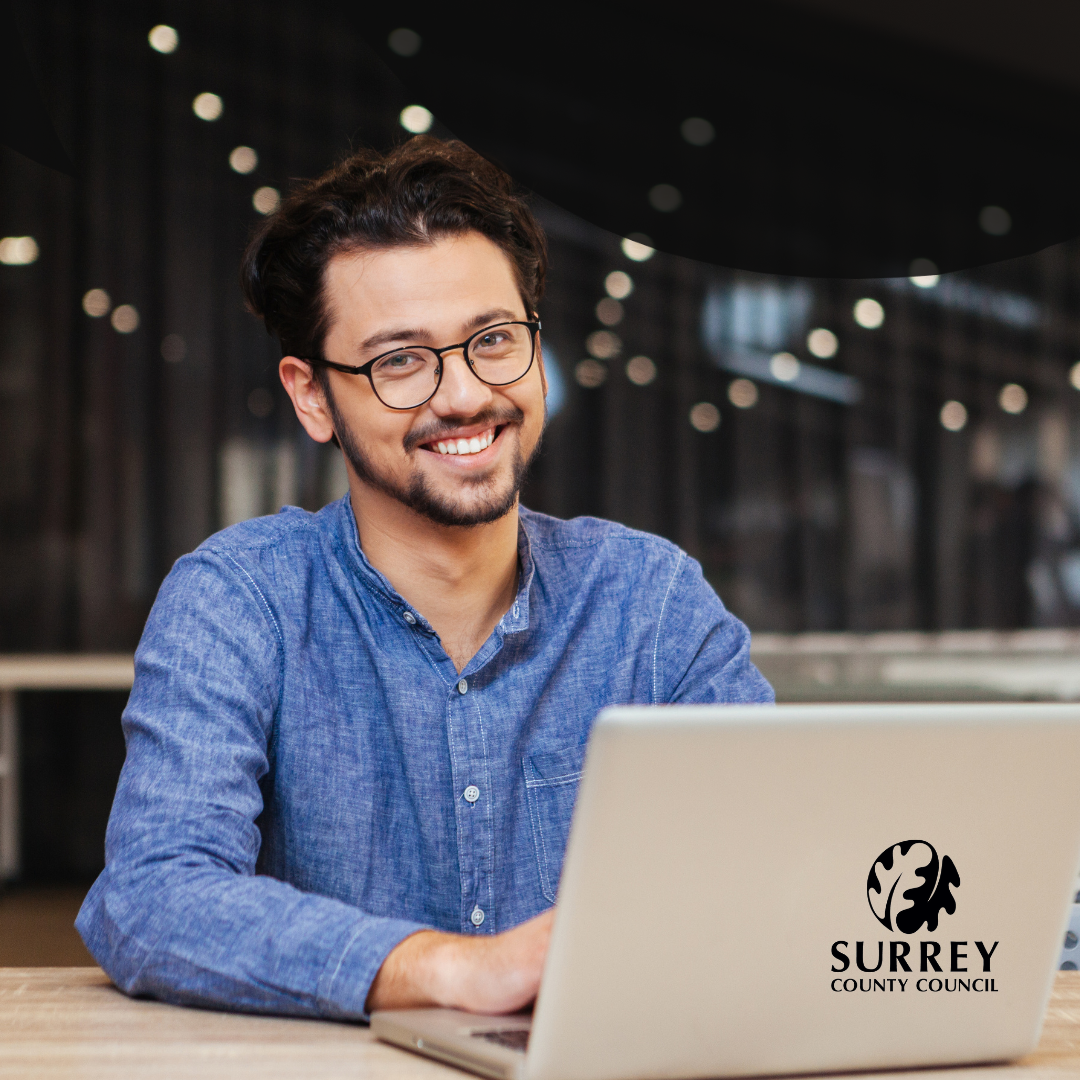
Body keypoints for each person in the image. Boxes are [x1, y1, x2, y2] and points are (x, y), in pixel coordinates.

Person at [76, 136, 773, 1019]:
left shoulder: (648, 599)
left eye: (492, 339)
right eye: (400, 360)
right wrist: (442, 970)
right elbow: (151, 899)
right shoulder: (239, 601)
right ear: (312, 396)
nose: (464, 395)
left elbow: (771, 866)